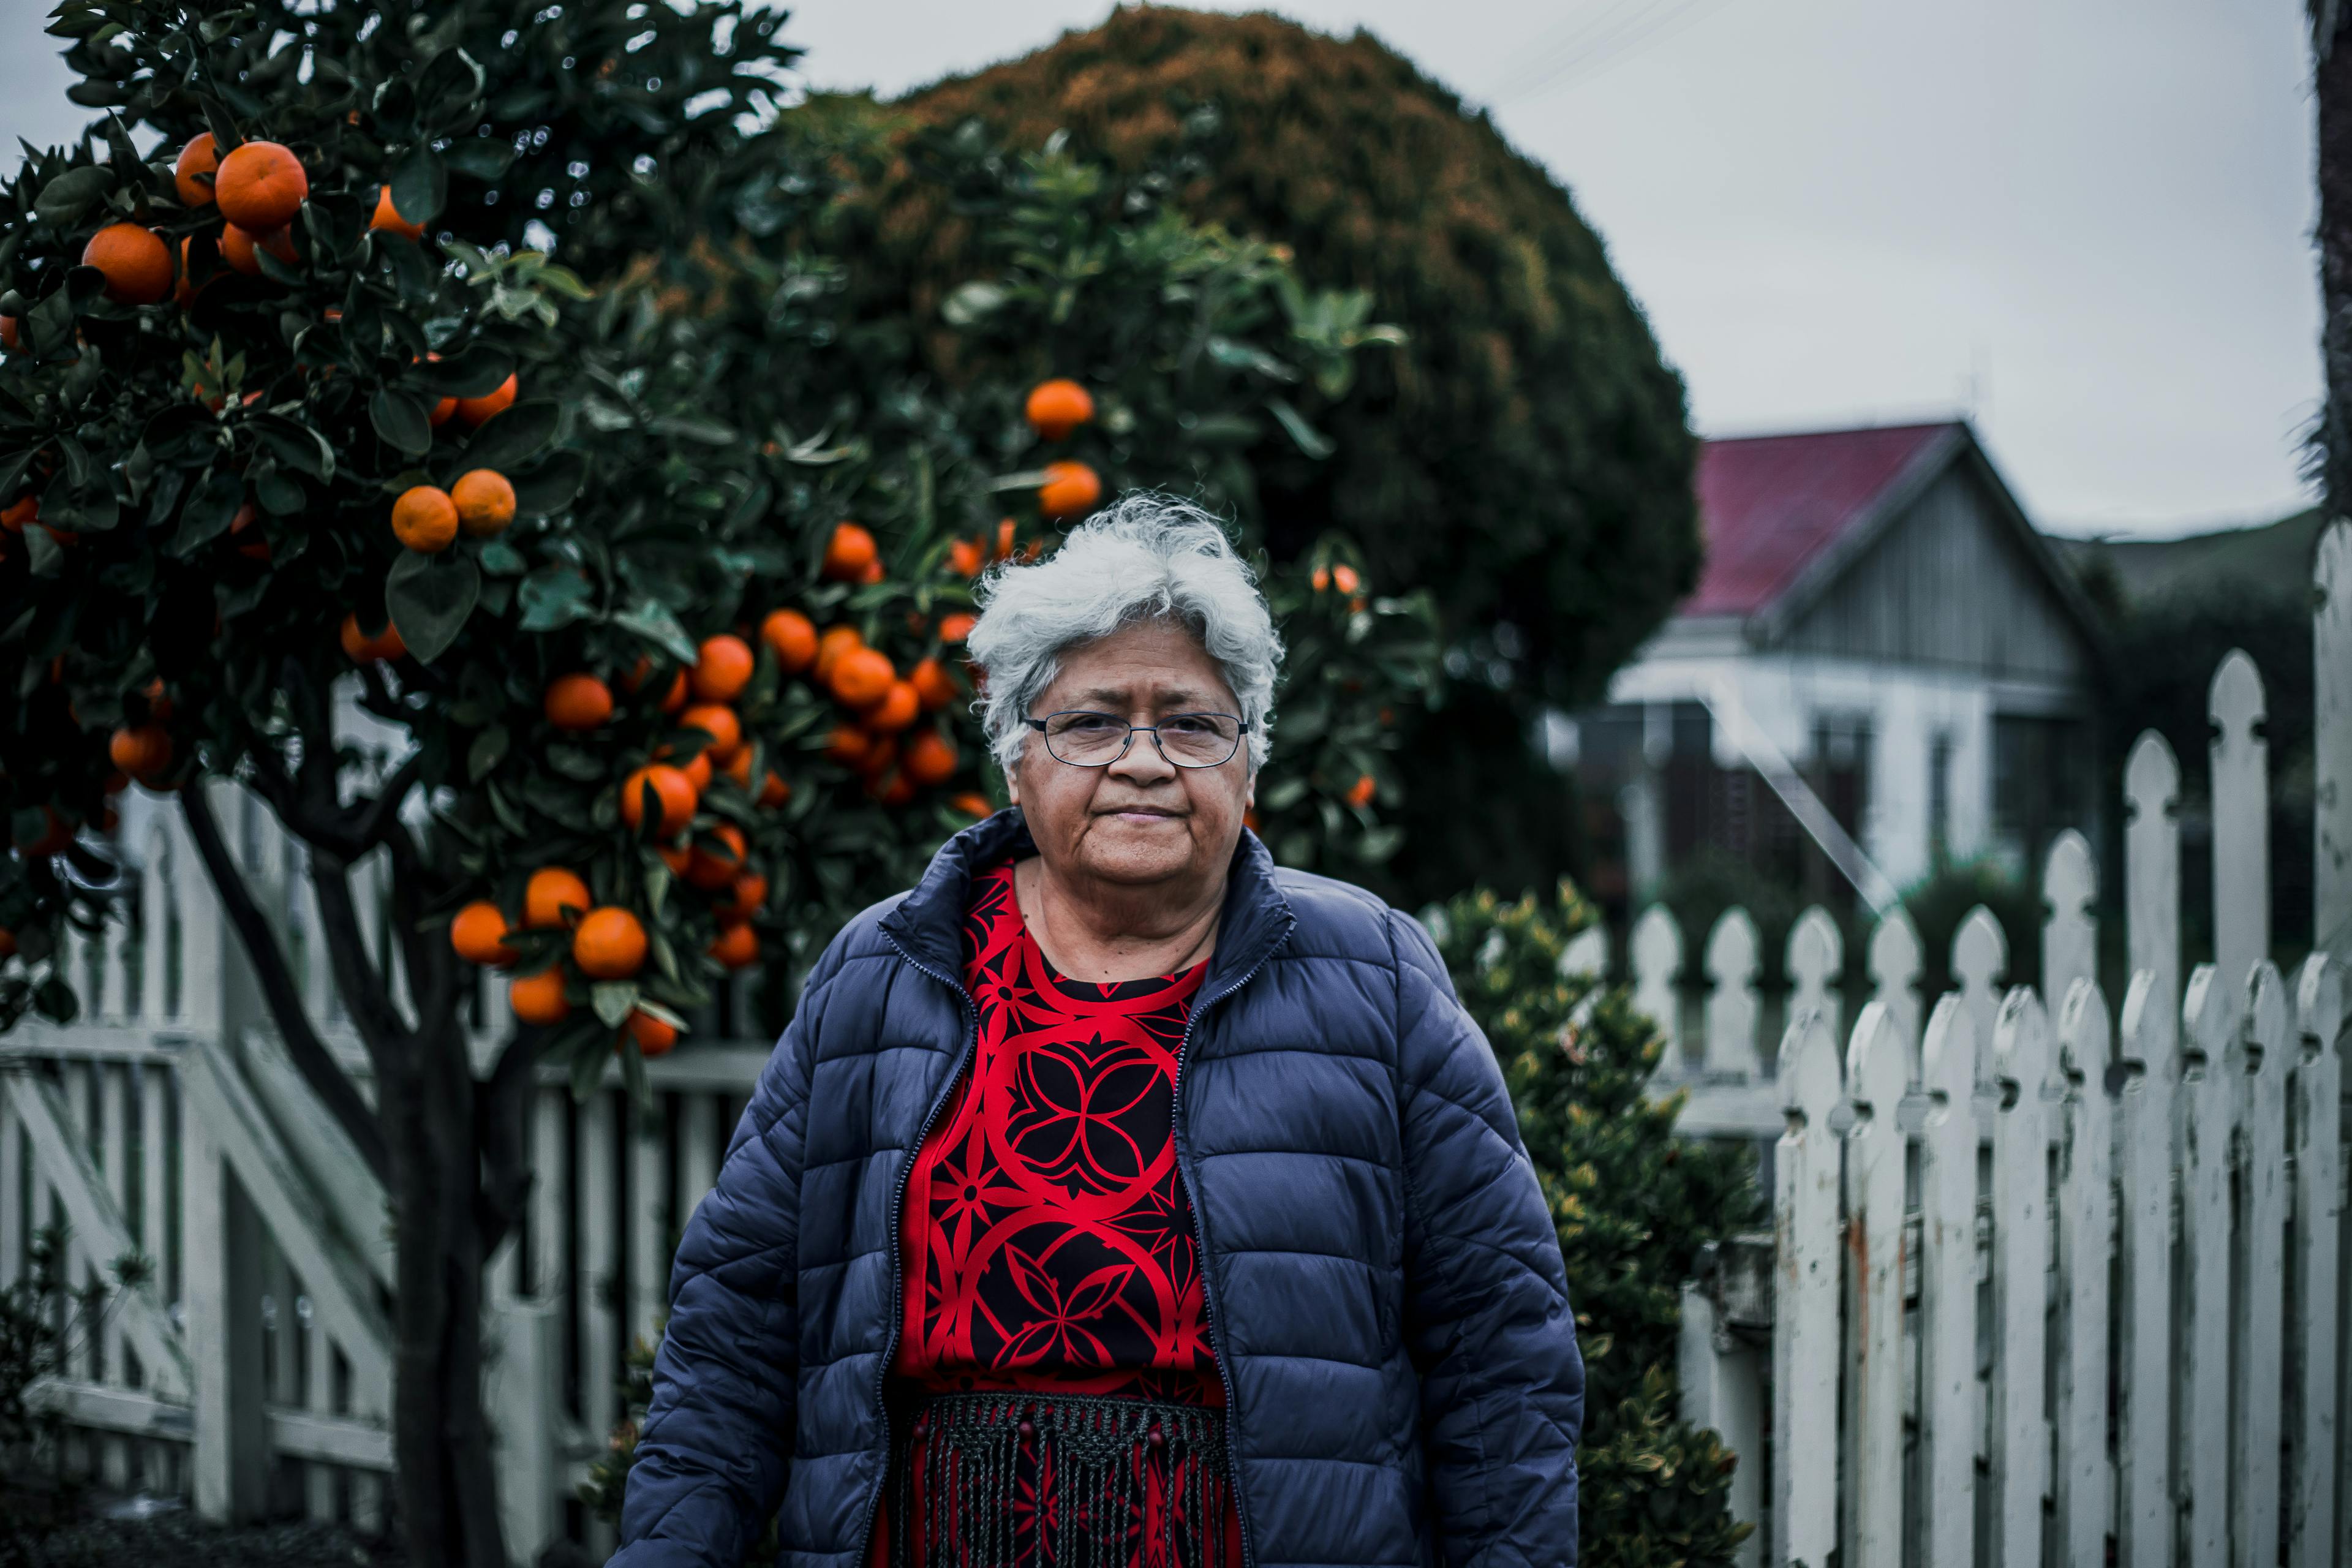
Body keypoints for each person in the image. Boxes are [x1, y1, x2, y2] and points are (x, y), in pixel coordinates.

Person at [614, 495, 1585, 1568]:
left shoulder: (1374, 977)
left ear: (1247, 765)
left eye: (1192, 722)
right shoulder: (881, 974)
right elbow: (735, 1330)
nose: (1142, 759)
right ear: (1015, 758)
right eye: (1089, 721)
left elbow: (1500, 1350)